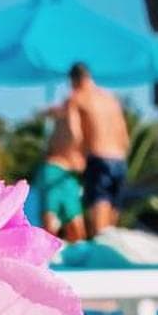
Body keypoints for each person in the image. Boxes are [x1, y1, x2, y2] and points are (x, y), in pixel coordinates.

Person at [61, 62, 131, 238]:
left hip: (98, 158)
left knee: (100, 230)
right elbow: (124, 135)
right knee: (111, 228)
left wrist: (74, 158)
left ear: (73, 80)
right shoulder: (110, 99)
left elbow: (74, 134)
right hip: (119, 160)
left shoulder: (76, 98)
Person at [23, 107, 86, 240]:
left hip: (67, 177)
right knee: (51, 227)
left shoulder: (74, 122)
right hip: (54, 171)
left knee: (76, 231)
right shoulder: (68, 117)